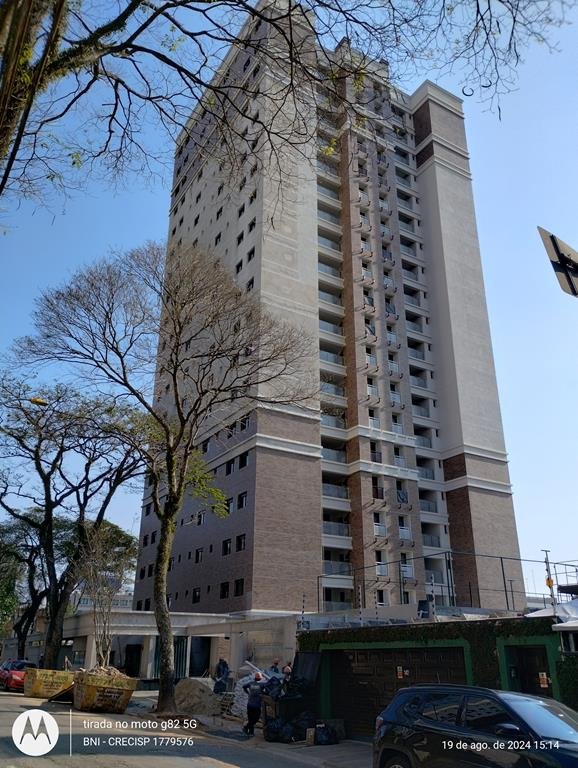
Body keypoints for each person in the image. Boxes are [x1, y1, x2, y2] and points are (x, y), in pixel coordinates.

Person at [242, 672, 265, 736]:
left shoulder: (250, 683)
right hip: (257, 706)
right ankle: (247, 728)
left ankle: (250, 732)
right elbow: (268, 687)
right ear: (260, 678)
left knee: (251, 719)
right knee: (255, 719)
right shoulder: (261, 685)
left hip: (250, 705)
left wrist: (248, 693)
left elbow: (243, 686)